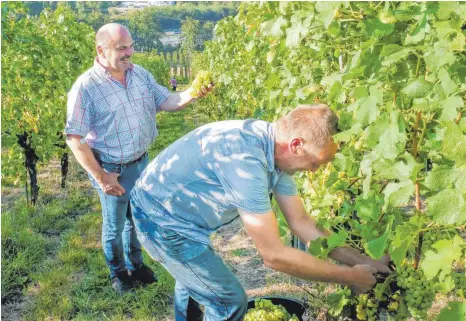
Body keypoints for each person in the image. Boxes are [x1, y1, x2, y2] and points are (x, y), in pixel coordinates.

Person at [129, 104, 391, 321]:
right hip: (160, 220)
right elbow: (274, 256)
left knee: (197, 282)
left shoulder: (275, 153)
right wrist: (349, 277)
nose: (314, 171)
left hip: (179, 213)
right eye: (315, 163)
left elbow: (302, 224)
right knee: (228, 302)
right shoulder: (245, 162)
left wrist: (363, 261)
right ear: (297, 145)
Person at [64, 23, 213, 295]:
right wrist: (101, 177)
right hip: (112, 169)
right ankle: (118, 274)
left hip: (141, 162)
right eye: (122, 48)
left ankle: (137, 266)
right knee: (114, 224)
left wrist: (193, 92)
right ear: (101, 50)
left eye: (130, 46)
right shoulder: (86, 87)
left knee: (137, 218)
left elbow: (167, 100)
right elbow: (75, 138)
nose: (130, 52)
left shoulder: (139, 75)